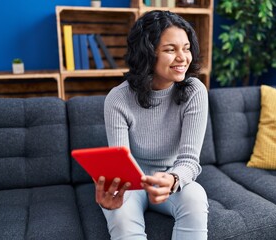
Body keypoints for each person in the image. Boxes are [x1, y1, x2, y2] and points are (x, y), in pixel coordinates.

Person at [95, 10, 209, 240]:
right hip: (131, 183)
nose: (183, 58)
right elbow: (120, 165)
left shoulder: (195, 91)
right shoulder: (118, 99)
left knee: (195, 197)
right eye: (170, 49)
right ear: (147, 53)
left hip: (171, 177)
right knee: (119, 213)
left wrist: (173, 179)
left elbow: (189, 161)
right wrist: (112, 195)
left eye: (186, 48)